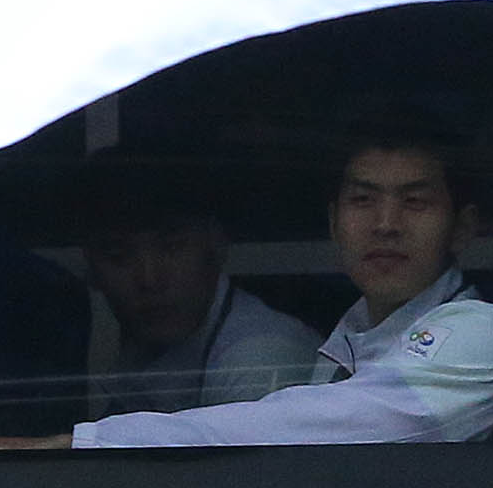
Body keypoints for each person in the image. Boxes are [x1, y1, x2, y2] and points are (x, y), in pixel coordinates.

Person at [0, 132, 493, 451]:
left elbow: (308, 430)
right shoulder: (353, 336)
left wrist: (81, 445)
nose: (386, 224)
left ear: (463, 227)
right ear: (334, 221)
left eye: (415, 202)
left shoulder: (477, 331)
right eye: (364, 200)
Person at [74, 163, 322, 418]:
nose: (149, 279)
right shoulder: (145, 350)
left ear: (215, 244)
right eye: (119, 256)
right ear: (90, 268)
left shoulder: (261, 358)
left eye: (171, 248)